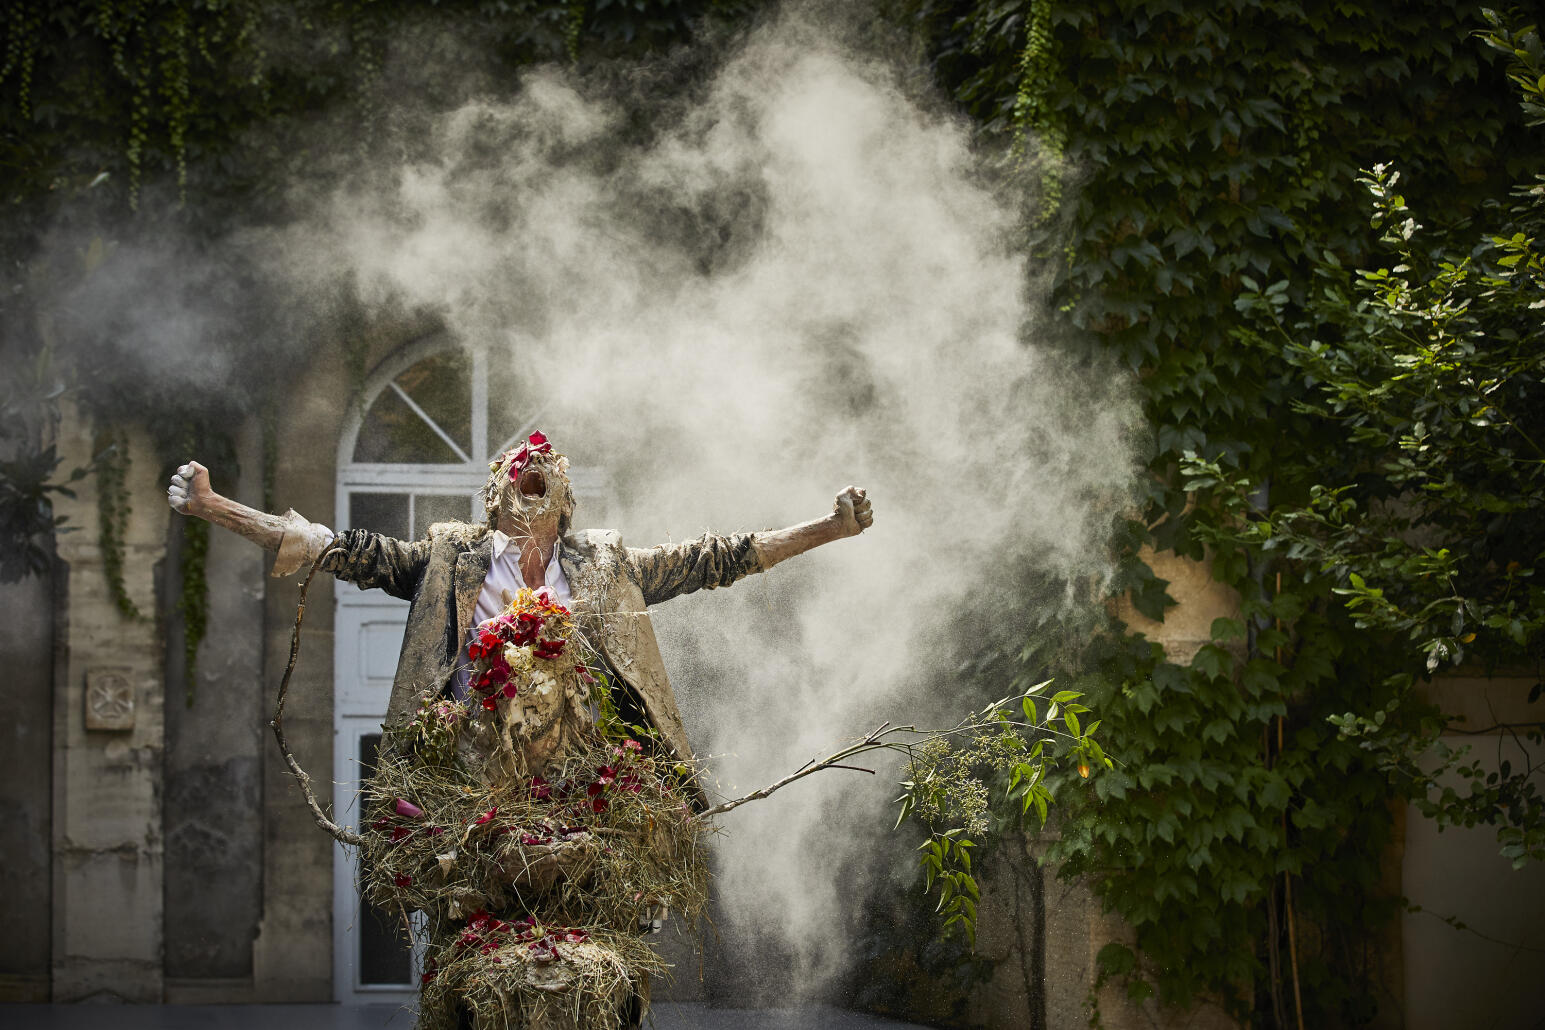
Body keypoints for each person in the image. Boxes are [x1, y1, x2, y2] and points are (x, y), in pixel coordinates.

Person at [166, 432, 874, 1028]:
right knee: (470, 955)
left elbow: (715, 558)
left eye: (546, 468)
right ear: (493, 494)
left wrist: (830, 528)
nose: (530, 465)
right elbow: (342, 548)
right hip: (478, 789)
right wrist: (215, 507)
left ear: (565, 498)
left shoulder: (605, 563)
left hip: (585, 790)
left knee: (605, 956)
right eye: (514, 465)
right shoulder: (449, 559)